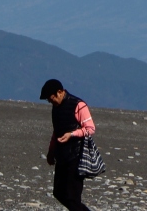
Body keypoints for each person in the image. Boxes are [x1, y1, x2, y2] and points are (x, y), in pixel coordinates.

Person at [41, 79, 97, 211]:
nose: (51, 102)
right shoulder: (56, 108)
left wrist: (72, 134)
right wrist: (51, 151)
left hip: (76, 156)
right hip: (61, 155)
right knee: (59, 192)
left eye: (51, 99)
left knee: (72, 197)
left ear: (60, 92)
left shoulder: (78, 105)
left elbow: (90, 128)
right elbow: (56, 131)